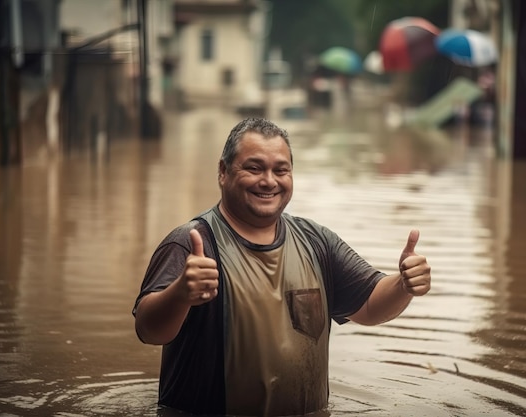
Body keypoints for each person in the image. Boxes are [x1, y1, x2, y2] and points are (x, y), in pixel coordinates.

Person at [133, 117, 432, 416]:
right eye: (254, 168)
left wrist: (403, 285)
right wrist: (181, 293)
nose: (269, 181)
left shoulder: (316, 243)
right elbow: (149, 330)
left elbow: (369, 306)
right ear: (223, 172)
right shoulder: (192, 243)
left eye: (281, 170)